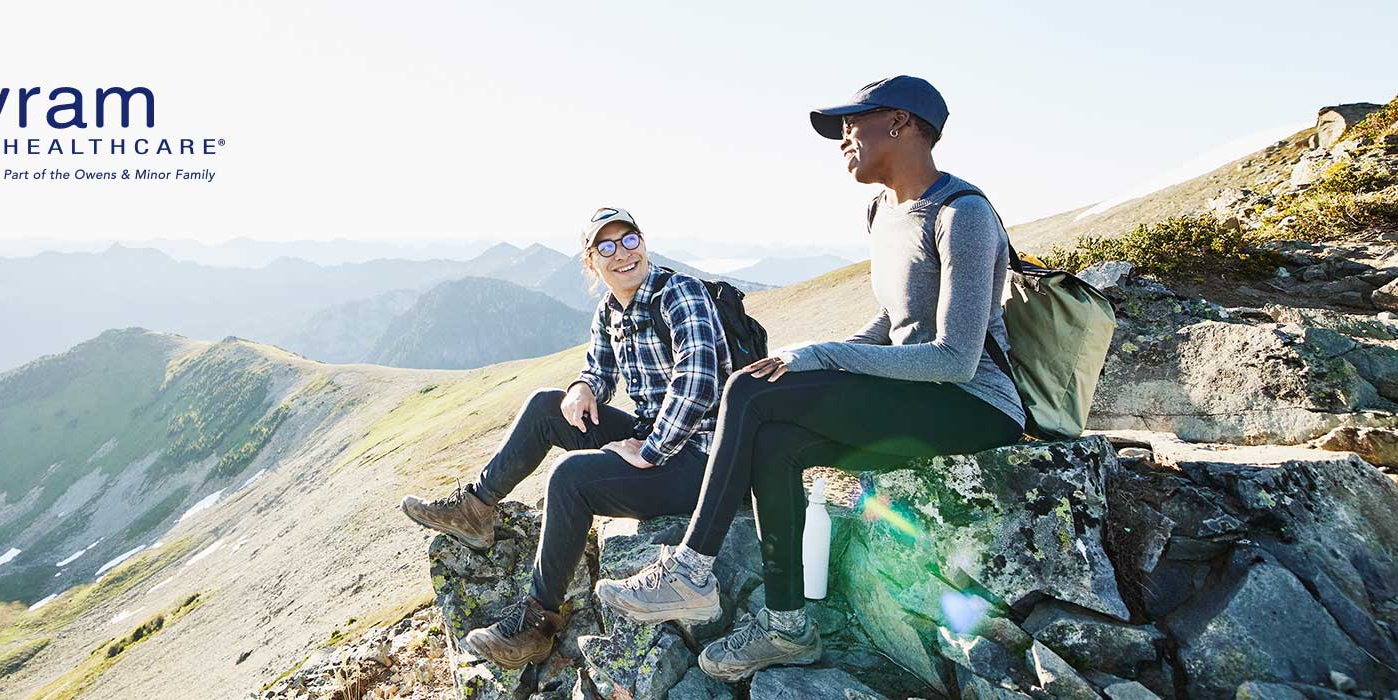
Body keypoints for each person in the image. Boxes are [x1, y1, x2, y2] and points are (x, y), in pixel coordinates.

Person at [594, 76, 1027, 682]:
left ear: (900, 124)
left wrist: (823, 356)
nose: (843, 138)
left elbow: (954, 357)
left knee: (745, 392)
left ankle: (690, 570)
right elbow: (892, 321)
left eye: (854, 123)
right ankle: (788, 627)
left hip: (971, 402)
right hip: (909, 394)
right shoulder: (881, 210)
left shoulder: (964, 213)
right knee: (772, 436)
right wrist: (802, 354)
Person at [400, 207, 732, 668]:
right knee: (545, 405)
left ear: (644, 243)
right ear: (590, 263)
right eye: (606, 247)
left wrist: (650, 451)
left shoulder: (680, 294)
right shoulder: (610, 310)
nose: (622, 254)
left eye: (629, 239)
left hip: (703, 460)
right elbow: (598, 371)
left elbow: (699, 381)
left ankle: (538, 623)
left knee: (570, 478)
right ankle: (476, 509)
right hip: (654, 437)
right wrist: (582, 388)